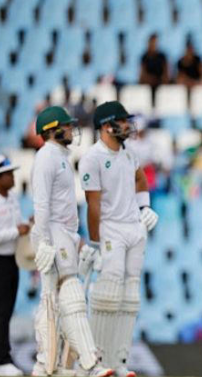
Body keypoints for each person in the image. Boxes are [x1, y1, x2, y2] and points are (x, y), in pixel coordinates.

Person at [31, 106, 113, 377]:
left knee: (62, 299)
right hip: (52, 233)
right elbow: (42, 204)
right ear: (52, 130)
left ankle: (54, 365)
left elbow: (65, 208)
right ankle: (78, 362)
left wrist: (78, 242)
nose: (71, 130)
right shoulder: (46, 157)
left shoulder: (62, 158)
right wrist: (43, 240)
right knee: (62, 298)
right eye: (66, 126)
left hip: (63, 234)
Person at [78, 101, 159, 377]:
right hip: (110, 228)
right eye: (122, 121)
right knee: (107, 295)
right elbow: (93, 205)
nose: (128, 126)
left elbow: (140, 180)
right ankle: (96, 361)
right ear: (106, 126)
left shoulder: (129, 152)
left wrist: (144, 207)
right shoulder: (92, 157)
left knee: (130, 297)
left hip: (134, 228)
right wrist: (96, 242)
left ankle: (119, 360)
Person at [0, 155, 29, 376]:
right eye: (8, 173)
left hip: (11, 260)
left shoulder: (12, 198)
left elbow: (19, 226)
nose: (12, 177)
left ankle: (4, 358)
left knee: (7, 310)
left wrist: (28, 225)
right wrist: (15, 232)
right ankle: (3, 359)